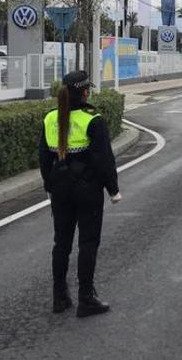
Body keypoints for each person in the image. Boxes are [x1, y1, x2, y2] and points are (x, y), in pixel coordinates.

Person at [39, 71, 121, 317]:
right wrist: (113, 189)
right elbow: (103, 159)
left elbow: (44, 158)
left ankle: (59, 297)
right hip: (87, 189)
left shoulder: (50, 118)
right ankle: (86, 298)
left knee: (61, 242)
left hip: (60, 189)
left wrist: (49, 185)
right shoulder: (92, 119)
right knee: (88, 242)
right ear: (84, 91)